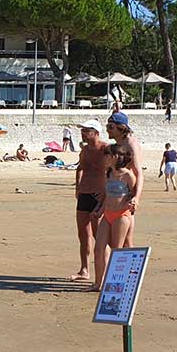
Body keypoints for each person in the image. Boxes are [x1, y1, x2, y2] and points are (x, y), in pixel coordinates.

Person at [91, 143, 137, 292]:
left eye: (107, 155)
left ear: (116, 157)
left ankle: (116, 284)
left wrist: (132, 202)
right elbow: (107, 196)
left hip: (122, 215)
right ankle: (98, 283)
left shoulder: (128, 175)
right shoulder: (109, 173)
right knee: (98, 249)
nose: (104, 158)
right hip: (107, 214)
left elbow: (133, 195)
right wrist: (100, 209)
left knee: (117, 251)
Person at [70, 120, 106, 282]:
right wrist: (77, 187)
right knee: (83, 234)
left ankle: (103, 272)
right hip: (84, 193)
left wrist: (106, 192)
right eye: (82, 130)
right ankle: (84, 269)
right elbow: (80, 168)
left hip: (99, 194)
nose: (83, 133)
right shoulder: (84, 150)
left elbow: (114, 171)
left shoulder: (106, 149)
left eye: (86, 131)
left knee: (100, 235)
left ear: (96, 132)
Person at [105, 112, 143, 248]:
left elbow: (139, 173)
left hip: (126, 196)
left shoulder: (130, 144)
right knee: (115, 241)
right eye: (107, 126)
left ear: (121, 128)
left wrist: (136, 198)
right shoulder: (117, 144)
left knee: (126, 241)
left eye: (110, 127)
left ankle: (131, 269)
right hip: (114, 194)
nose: (107, 129)